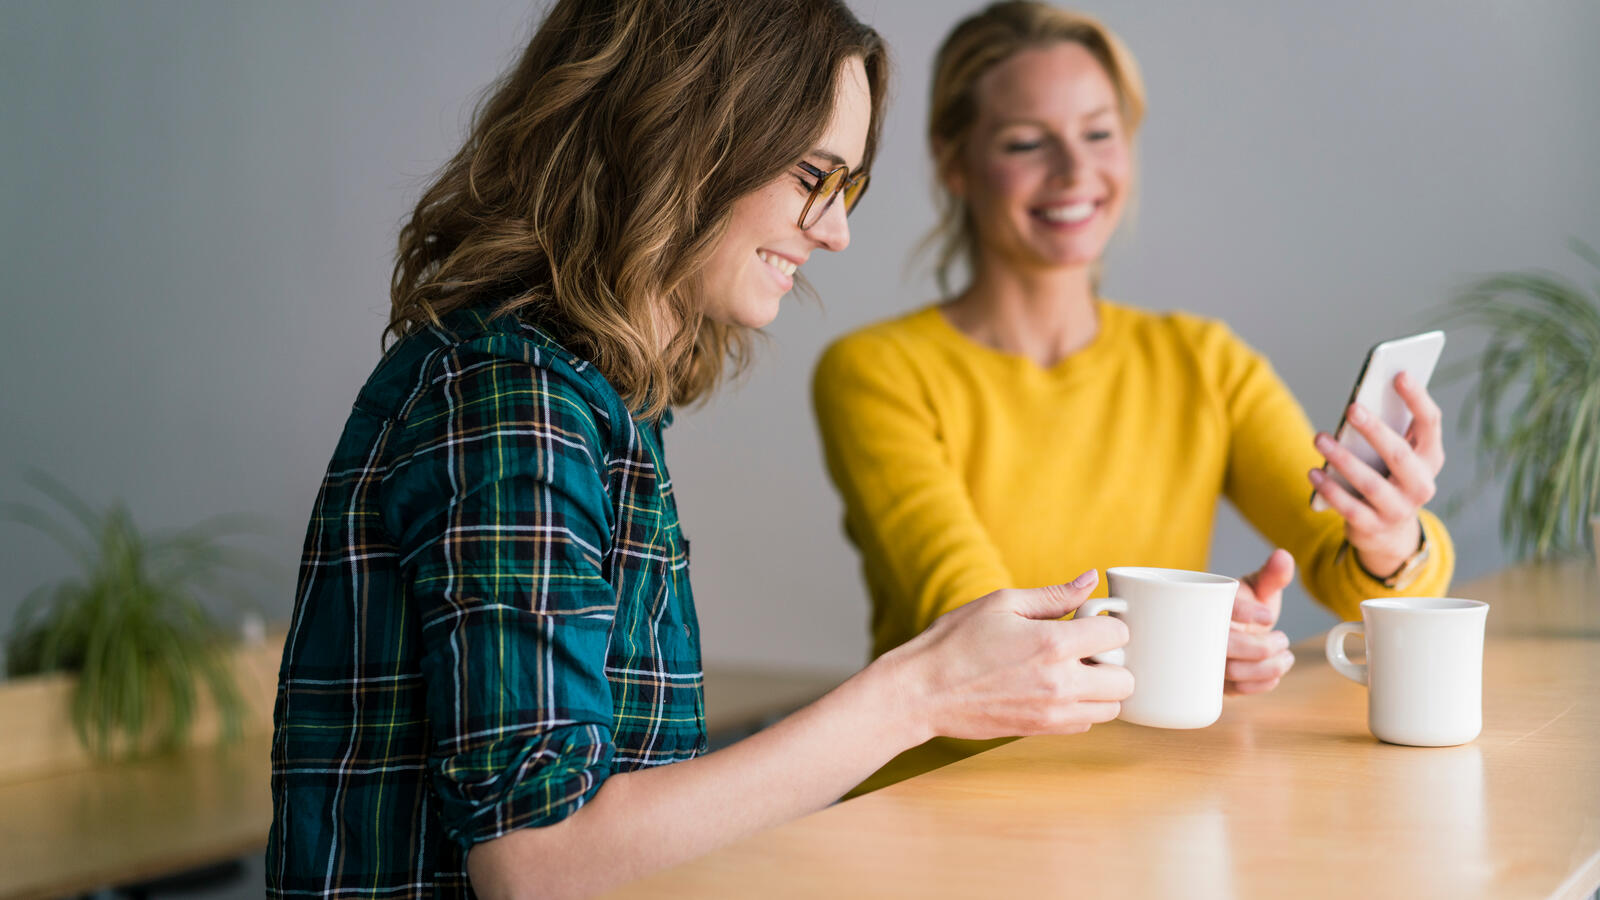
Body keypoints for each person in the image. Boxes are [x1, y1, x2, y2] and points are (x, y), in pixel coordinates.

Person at [268, 2, 1136, 897]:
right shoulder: (512, 400)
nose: (835, 230)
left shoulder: (592, 403)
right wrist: (916, 694)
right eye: (812, 175)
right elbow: (540, 862)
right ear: (680, 134)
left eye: (847, 188)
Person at [812, 0, 1456, 794]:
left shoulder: (1204, 362)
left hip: (1148, 800)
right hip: (945, 803)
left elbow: (1359, 581)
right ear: (955, 160)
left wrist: (1390, 536)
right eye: (1025, 143)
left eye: (1098, 133)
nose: (1076, 173)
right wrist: (1172, 647)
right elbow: (980, 629)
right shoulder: (876, 372)